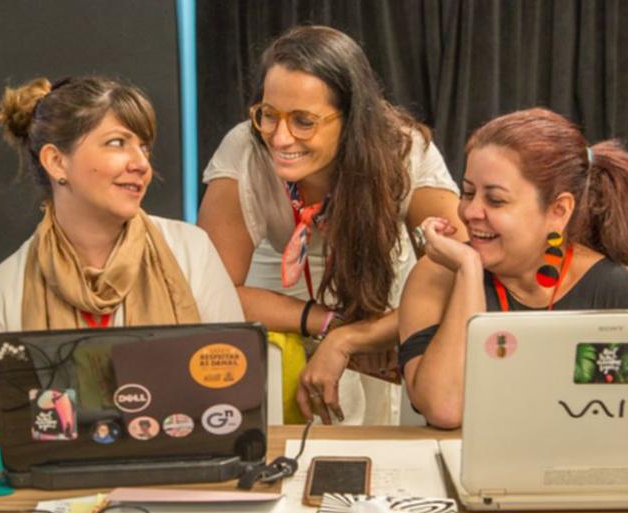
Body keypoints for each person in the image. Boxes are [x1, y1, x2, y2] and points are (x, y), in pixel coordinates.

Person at [199, 26, 465, 425]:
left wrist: (354, 337)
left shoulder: (403, 150)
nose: (280, 137)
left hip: (388, 309)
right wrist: (327, 322)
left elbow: (460, 270)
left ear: (353, 118)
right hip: (277, 305)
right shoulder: (245, 148)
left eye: (303, 121)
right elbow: (213, 291)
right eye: (268, 115)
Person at [0, 76, 244, 426]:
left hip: (177, 467)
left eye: (144, 147)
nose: (141, 163)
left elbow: (235, 388)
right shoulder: (3, 288)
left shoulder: (191, 252)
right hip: (55, 477)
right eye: (117, 143)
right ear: (57, 162)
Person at [398, 108, 628, 429]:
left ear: (558, 210)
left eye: (495, 200)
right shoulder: (437, 276)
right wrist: (468, 269)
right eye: (468, 193)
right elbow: (445, 408)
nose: (470, 212)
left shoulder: (616, 286)